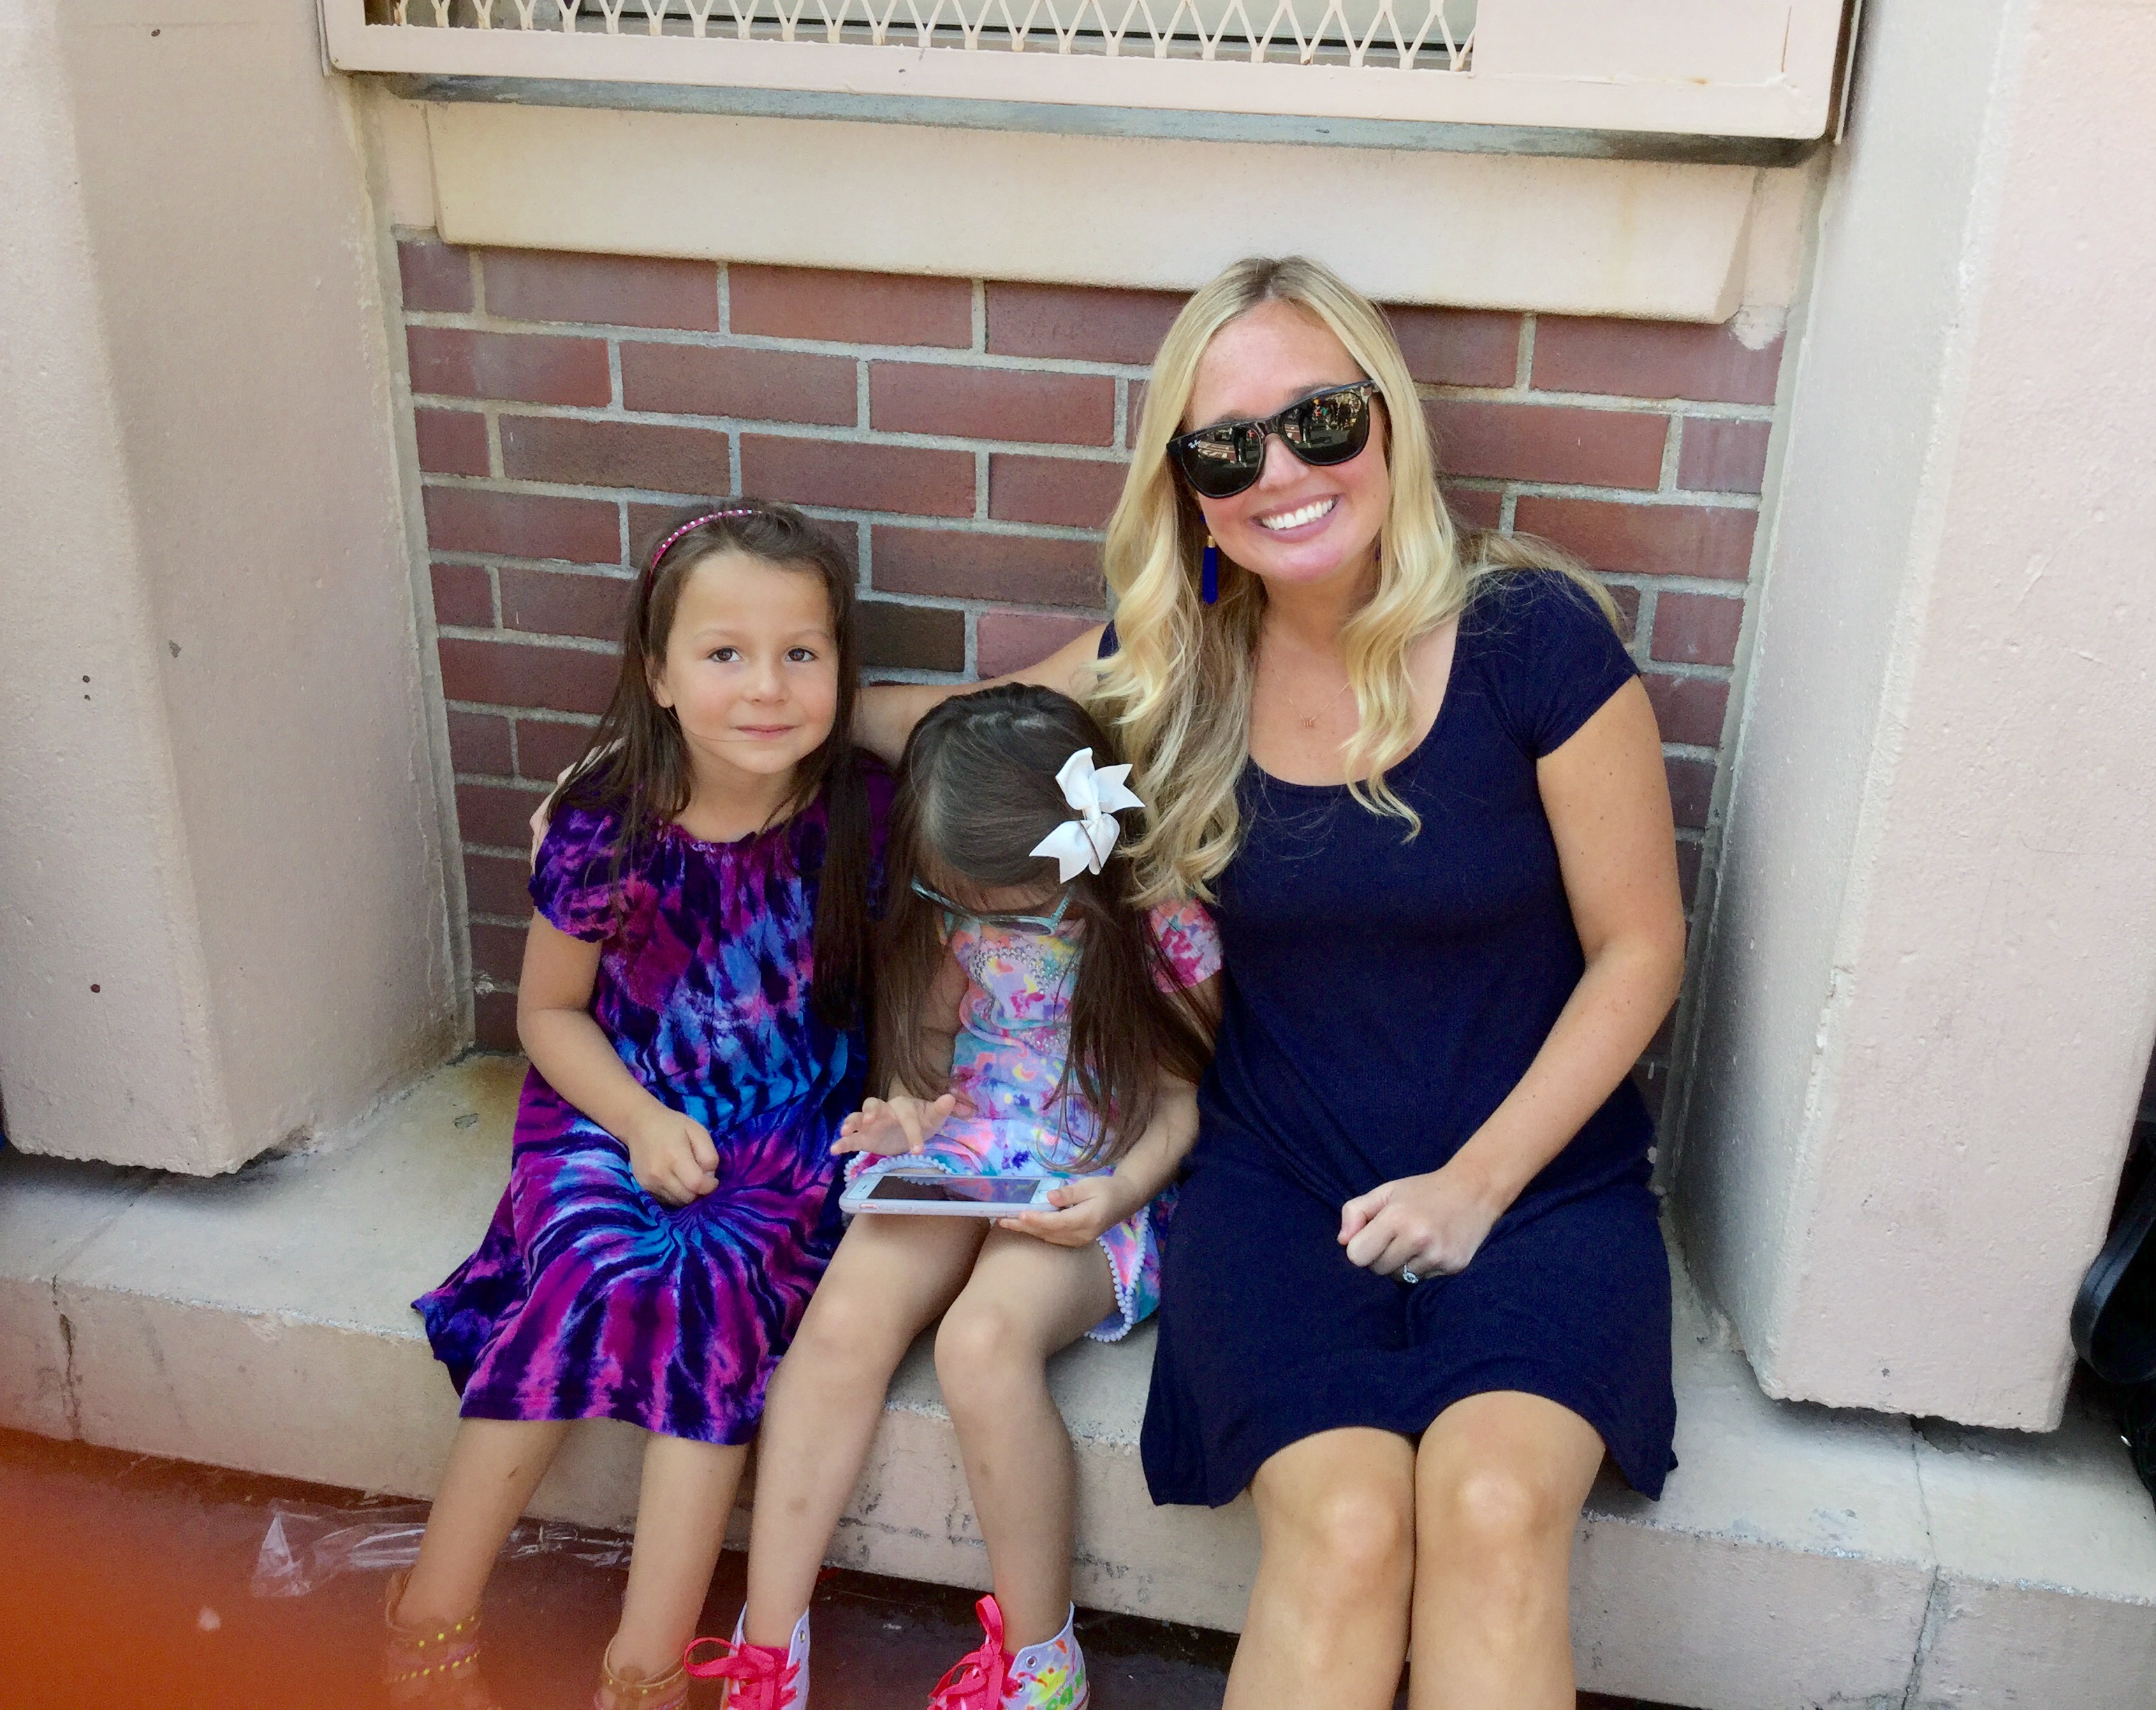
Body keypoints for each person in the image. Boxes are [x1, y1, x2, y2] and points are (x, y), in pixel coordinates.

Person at [856, 254, 1686, 1710]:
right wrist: (714, 743)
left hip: (1536, 1182)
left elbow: (1642, 949)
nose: (1282, 472)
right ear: (1187, 489)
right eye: (1227, 447)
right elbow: (960, 728)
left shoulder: (1531, 640)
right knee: (1347, 1530)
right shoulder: (1173, 661)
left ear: (1387, 420)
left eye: (1320, 419)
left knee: (1496, 1510)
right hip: (1281, 1183)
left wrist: (1475, 1186)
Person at [389, 503, 893, 1710]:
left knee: (715, 1282)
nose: (766, 687)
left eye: (801, 653)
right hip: (611, 1097)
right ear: (658, 675)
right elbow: (549, 1014)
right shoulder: (606, 822)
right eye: (725, 654)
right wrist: (639, 1123)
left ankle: (645, 1667)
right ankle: (427, 1614)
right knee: (590, 1262)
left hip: (786, 1119)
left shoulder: (864, 811)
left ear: (842, 668)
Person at [687, 685, 1221, 1710]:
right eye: (959, 905)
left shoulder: (1157, 926)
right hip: (970, 1144)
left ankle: (1039, 1660)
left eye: (1009, 908)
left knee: (982, 1343)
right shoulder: (955, 907)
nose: (978, 925)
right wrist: (905, 1115)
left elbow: (1182, 1100)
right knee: (840, 1327)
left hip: (1096, 1172)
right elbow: (929, 1052)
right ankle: (768, 1649)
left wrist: (1117, 1193)